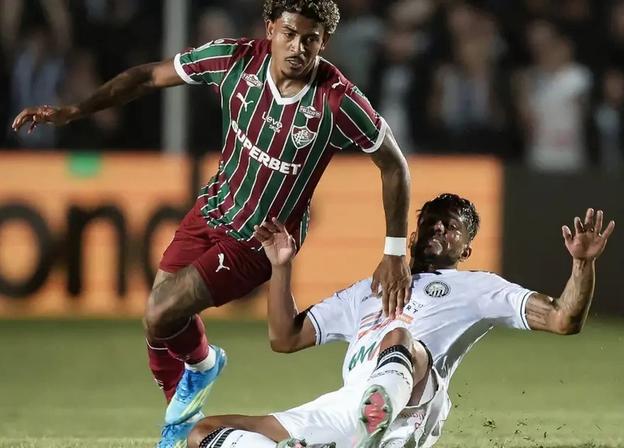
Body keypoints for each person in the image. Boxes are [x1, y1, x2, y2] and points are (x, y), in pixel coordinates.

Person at [11, 1, 413, 445]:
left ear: (324, 42)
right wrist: (74, 112)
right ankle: (190, 393)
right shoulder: (234, 60)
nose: (298, 47)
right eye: (289, 34)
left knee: (159, 312)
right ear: (270, 28)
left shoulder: (336, 99)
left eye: (311, 39)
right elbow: (148, 76)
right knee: (157, 325)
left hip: (257, 241)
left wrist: (394, 251)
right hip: (211, 210)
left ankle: (193, 388)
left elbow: (394, 164)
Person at [187, 194, 615, 448]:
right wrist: (281, 268)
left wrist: (582, 265)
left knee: (399, 335)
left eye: (452, 228)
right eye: (431, 222)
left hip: (412, 403)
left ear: (466, 250)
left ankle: (386, 434)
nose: (438, 229)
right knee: (203, 433)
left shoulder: (478, 287)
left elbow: (563, 319)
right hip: (350, 403)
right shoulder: (366, 290)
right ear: (412, 237)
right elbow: (285, 338)